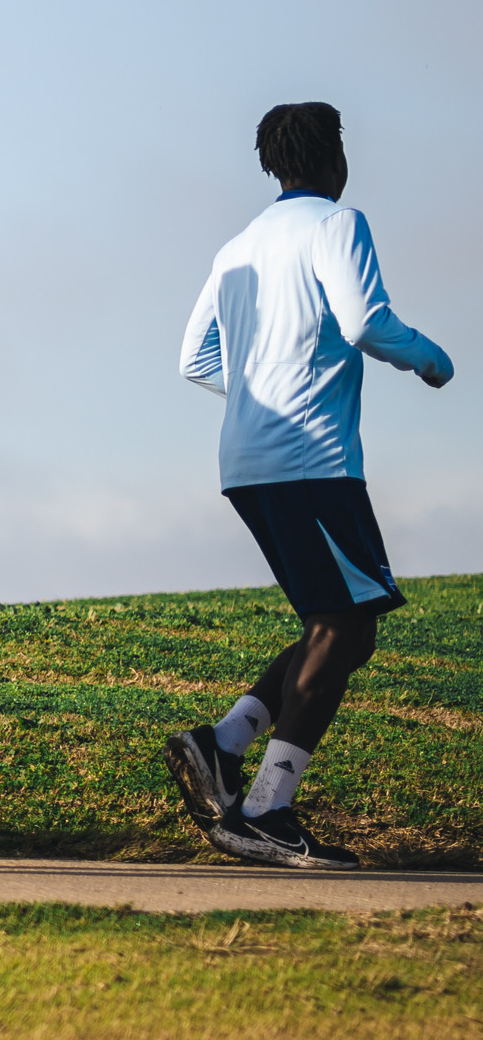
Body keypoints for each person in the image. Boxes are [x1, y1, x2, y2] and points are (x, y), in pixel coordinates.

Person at [169, 102, 452, 871]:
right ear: (334, 158)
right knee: (347, 627)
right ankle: (265, 809)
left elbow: (196, 359)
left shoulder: (237, 247)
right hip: (312, 458)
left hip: (247, 461)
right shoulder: (338, 222)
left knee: (334, 620)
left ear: (273, 163)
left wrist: (261, 392)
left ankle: (221, 744)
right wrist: (430, 357)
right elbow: (365, 322)